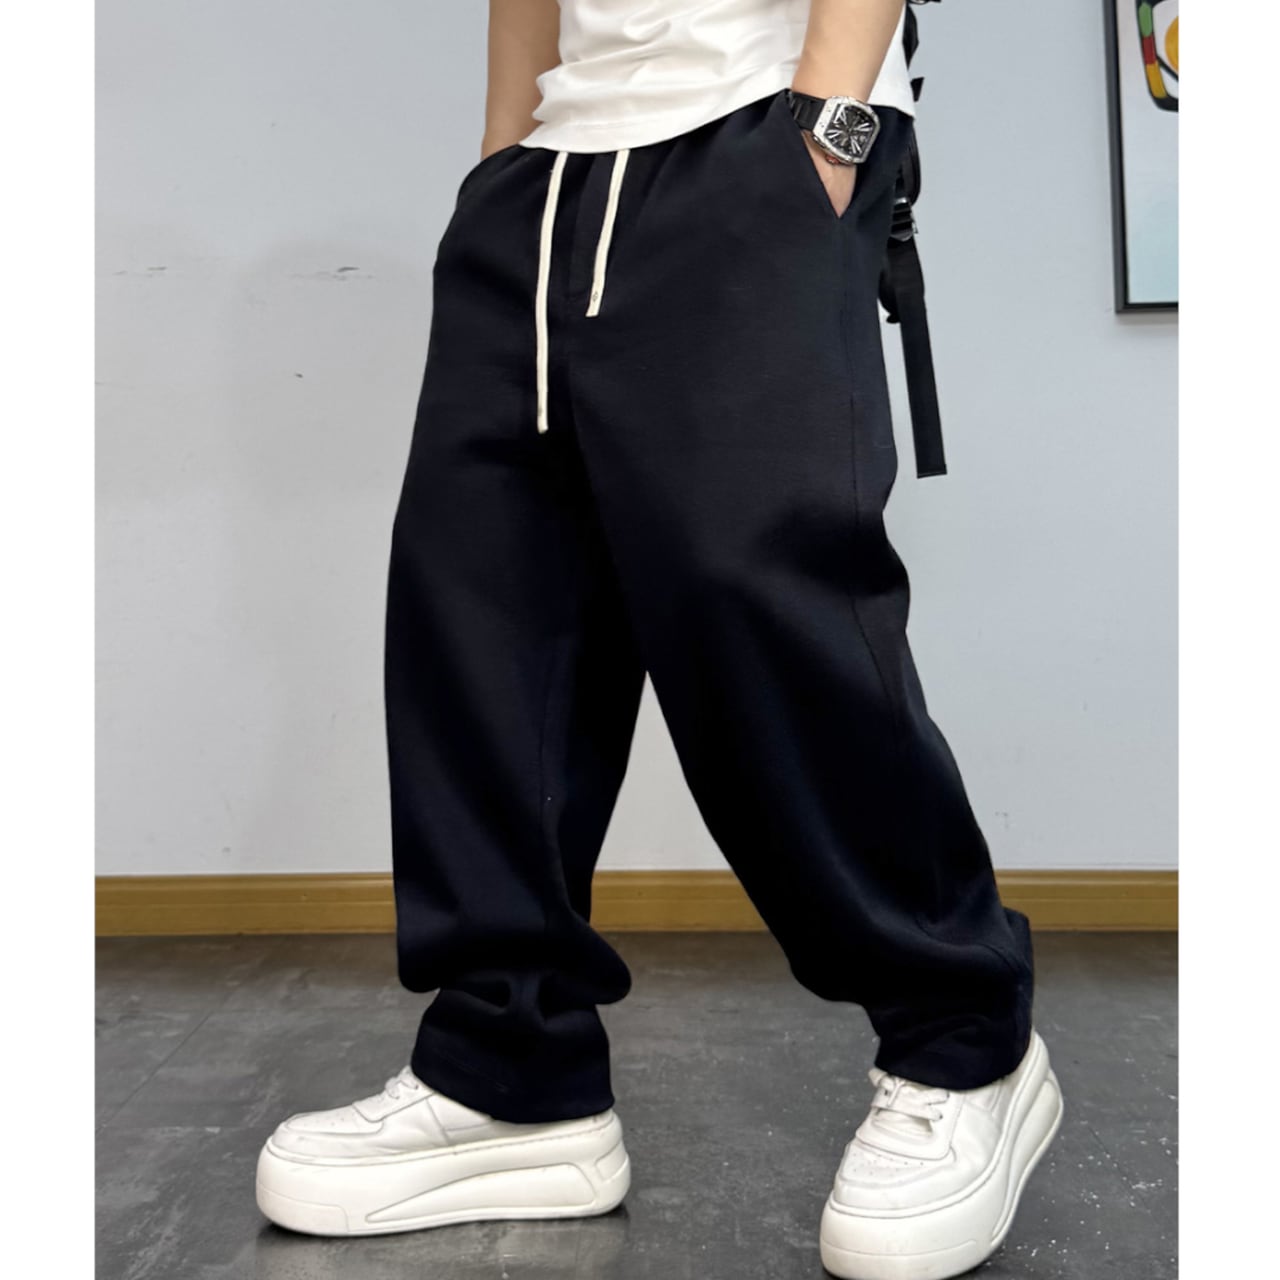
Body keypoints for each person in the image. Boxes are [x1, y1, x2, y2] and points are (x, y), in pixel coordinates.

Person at [254, 3, 1062, 1276]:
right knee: (484, 608)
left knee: (758, 608)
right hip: (548, 179)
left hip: (753, 126)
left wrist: (825, 133)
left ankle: (964, 1041)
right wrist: (501, 163)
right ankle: (510, 1068)